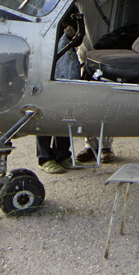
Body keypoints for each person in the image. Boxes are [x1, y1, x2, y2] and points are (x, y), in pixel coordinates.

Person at [74, 0, 120, 163]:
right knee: (87, 103)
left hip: (111, 57)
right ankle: (89, 145)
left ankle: (106, 146)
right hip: (87, 56)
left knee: (107, 103)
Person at [37, 10, 82, 174]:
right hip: (45, 65)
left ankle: (63, 154)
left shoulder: (71, 8)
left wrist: (70, 35)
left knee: (66, 113)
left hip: (65, 66)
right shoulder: (43, 8)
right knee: (45, 114)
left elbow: (79, 39)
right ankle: (44, 157)